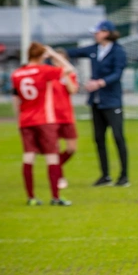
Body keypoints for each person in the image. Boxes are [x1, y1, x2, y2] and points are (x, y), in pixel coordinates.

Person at [65, 20, 129, 187]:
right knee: (99, 139)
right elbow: (73, 52)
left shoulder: (118, 51)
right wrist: (52, 53)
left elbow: (117, 74)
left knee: (118, 137)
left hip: (112, 102)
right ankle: (105, 176)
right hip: (96, 101)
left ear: (107, 32)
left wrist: (99, 83)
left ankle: (124, 176)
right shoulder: (94, 49)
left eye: (98, 31)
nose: (95, 34)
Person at [11, 42, 75, 206]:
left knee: (28, 157)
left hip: (25, 120)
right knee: (52, 157)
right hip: (44, 119)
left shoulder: (17, 74)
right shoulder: (44, 70)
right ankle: (55, 197)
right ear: (41, 56)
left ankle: (31, 197)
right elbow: (68, 68)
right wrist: (53, 54)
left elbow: (15, 98)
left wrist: (18, 118)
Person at [50, 48, 79, 190]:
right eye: (55, 60)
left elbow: (72, 90)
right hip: (51, 117)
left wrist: (65, 74)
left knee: (72, 148)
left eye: (60, 60)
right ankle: (59, 176)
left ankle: (56, 166)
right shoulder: (48, 75)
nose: (58, 63)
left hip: (66, 116)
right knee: (55, 149)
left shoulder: (70, 75)